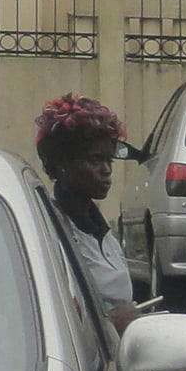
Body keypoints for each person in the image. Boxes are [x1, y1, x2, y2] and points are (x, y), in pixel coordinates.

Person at [35, 93, 141, 329]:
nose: (106, 170)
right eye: (95, 160)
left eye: (109, 161)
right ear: (61, 164)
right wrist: (111, 322)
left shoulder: (103, 233)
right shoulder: (52, 233)